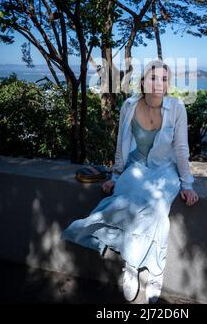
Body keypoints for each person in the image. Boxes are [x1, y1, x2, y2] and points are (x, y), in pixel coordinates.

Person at [61, 60, 199, 303]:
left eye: (164, 79)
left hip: (165, 170)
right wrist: (116, 175)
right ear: (143, 82)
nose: (159, 84)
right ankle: (132, 267)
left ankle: (156, 271)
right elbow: (121, 145)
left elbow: (180, 148)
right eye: (153, 78)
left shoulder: (176, 107)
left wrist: (187, 185)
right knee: (124, 203)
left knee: (157, 212)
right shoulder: (129, 105)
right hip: (135, 167)